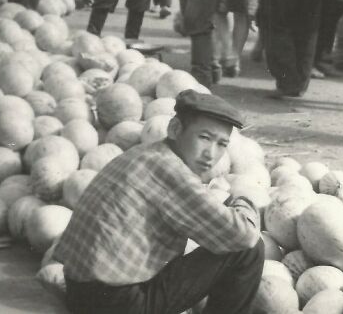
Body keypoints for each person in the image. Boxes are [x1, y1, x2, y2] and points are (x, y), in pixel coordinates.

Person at [55, 90, 263, 314]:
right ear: (175, 129)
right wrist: (244, 199)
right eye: (204, 138)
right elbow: (243, 236)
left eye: (222, 144)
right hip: (118, 305)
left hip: (81, 294)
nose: (210, 154)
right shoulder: (171, 171)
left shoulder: (144, 153)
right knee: (248, 250)